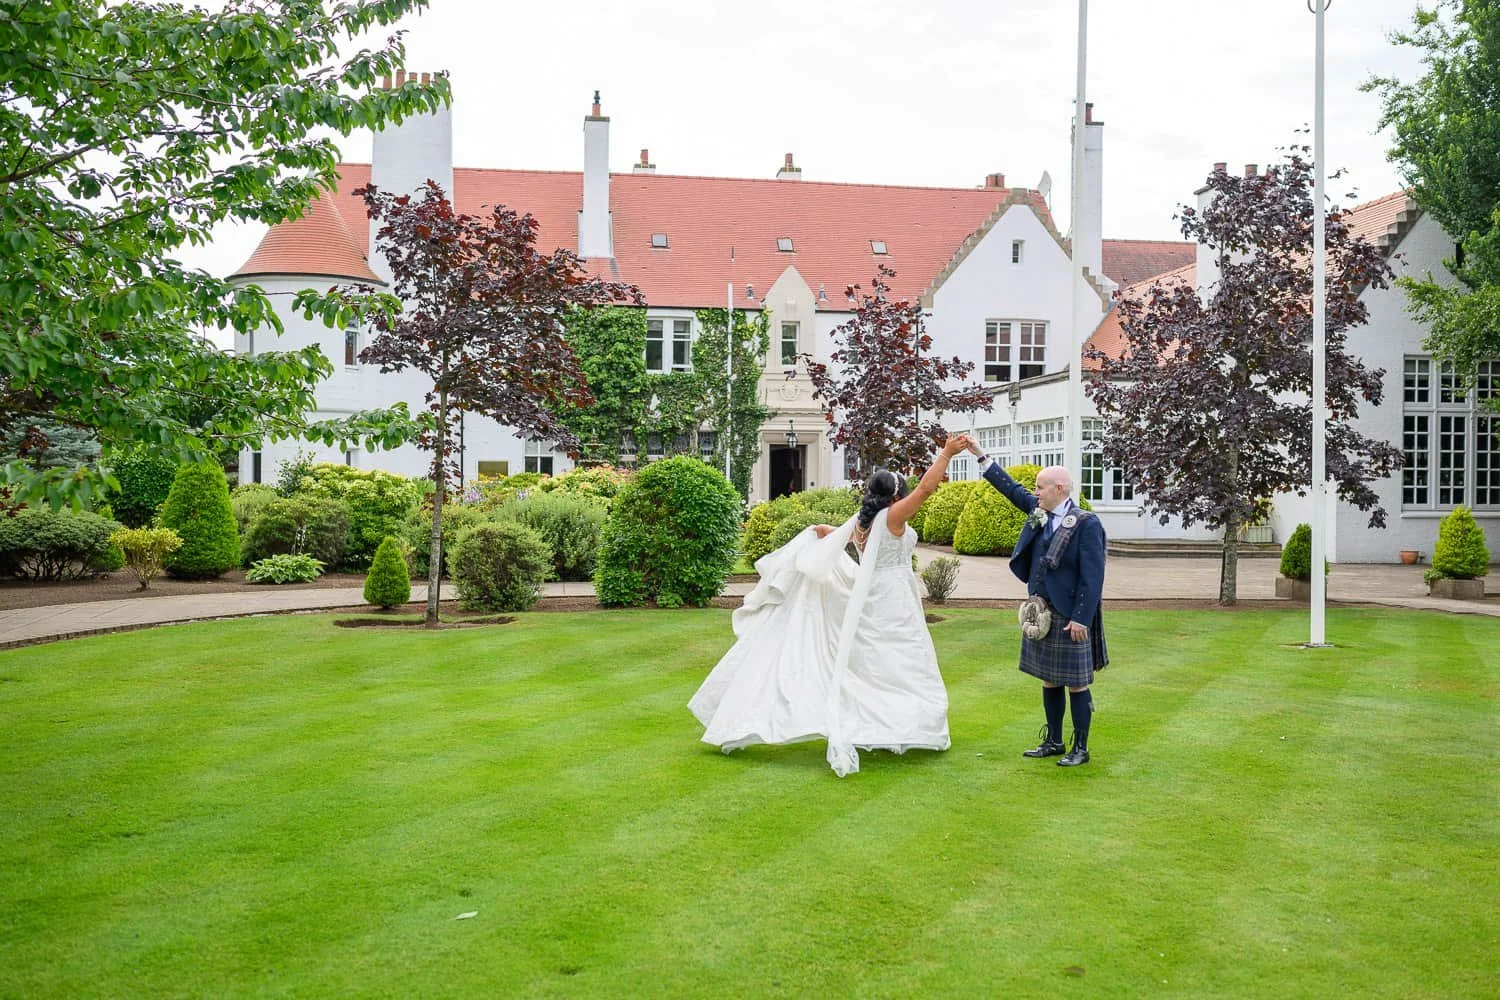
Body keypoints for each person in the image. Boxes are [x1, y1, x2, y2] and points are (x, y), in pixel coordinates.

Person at [688, 436, 969, 776]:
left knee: (879, 661)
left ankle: (884, 724)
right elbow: (925, 490)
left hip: (876, 592)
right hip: (891, 595)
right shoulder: (892, 517)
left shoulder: (864, 522)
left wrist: (821, 530)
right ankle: (894, 723)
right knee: (900, 658)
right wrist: (947, 454)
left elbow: (834, 532)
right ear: (895, 496)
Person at [966, 442, 1108, 766]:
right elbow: (1011, 490)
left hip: (1071, 614)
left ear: (1059, 489)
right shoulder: (1039, 513)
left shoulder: (1086, 524)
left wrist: (1082, 619)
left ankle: (1080, 748)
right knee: (1048, 677)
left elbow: (1093, 577)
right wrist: (980, 456)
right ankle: (1054, 741)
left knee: (1076, 682)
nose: (1035, 492)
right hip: (1040, 610)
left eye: (1040, 487)